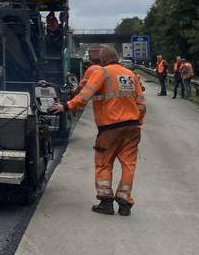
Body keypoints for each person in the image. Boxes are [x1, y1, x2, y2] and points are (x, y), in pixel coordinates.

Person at [47, 45, 146, 216]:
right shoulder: (131, 75)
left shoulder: (102, 72)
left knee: (103, 162)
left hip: (110, 127)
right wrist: (137, 121)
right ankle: (124, 202)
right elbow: (142, 104)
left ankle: (105, 202)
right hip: (133, 127)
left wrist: (65, 106)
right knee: (128, 164)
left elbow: (85, 95)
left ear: (103, 60)